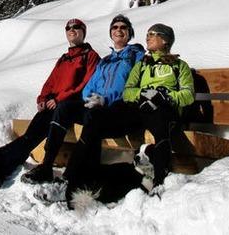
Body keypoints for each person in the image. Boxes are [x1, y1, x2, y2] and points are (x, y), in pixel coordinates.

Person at [61, 23, 194, 207]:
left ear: (165, 40)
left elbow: (188, 95)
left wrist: (164, 95)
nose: (147, 37)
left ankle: (159, 181)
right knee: (96, 120)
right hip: (138, 108)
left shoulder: (180, 66)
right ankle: (72, 179)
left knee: (161, 124)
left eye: (153, 34)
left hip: (162, 108)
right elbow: (128, 90)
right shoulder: (142, 65)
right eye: (147, 33)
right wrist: (141, 94)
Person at [0, 18, 100, 190]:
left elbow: (85, 85)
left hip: (68, 108)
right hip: (52, 106)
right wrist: (43, 99)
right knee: (29, 138)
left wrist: (59, 99)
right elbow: (50, 82)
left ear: (84, 32)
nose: (72, 29)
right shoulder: (64, 58)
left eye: (77, 27)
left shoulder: (90, 56)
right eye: (68, 27)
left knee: (31, 137)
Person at [19, 14, 145, 185]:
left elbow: (132, 85)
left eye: (123, 27)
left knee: (93, 119)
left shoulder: (136, 56)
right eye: (115, 27)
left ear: (130, 32)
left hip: (115, 108)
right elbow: (90, 85)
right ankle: (46, 165)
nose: (119, 30)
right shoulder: (106, 60)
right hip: (94, 104)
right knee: (63, 108)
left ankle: (76, 177)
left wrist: (105, 100)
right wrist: (89, 98)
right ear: (110, 33)